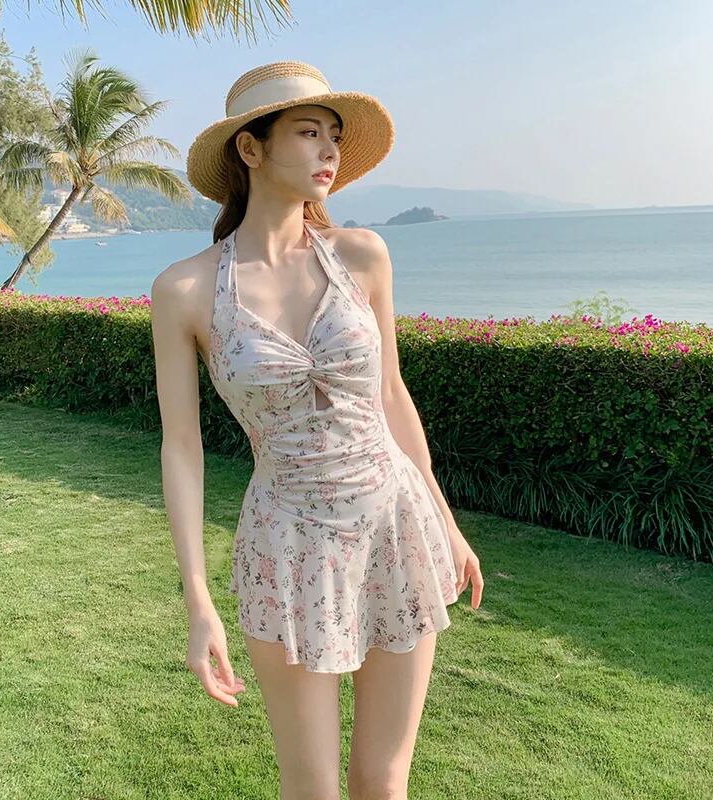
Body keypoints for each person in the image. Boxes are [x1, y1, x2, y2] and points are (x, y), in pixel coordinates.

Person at [150, 60, 484, 799]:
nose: (330, 150)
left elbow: (390, 394)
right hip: (287, 545)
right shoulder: (185, 290)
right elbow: (182, 448)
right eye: (308, 132)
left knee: (383, 782)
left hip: (395, 525)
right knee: (312, 789)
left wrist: (445, 519)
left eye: (334, 134)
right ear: (250, 148)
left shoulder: (362, 255)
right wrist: (198, 600)